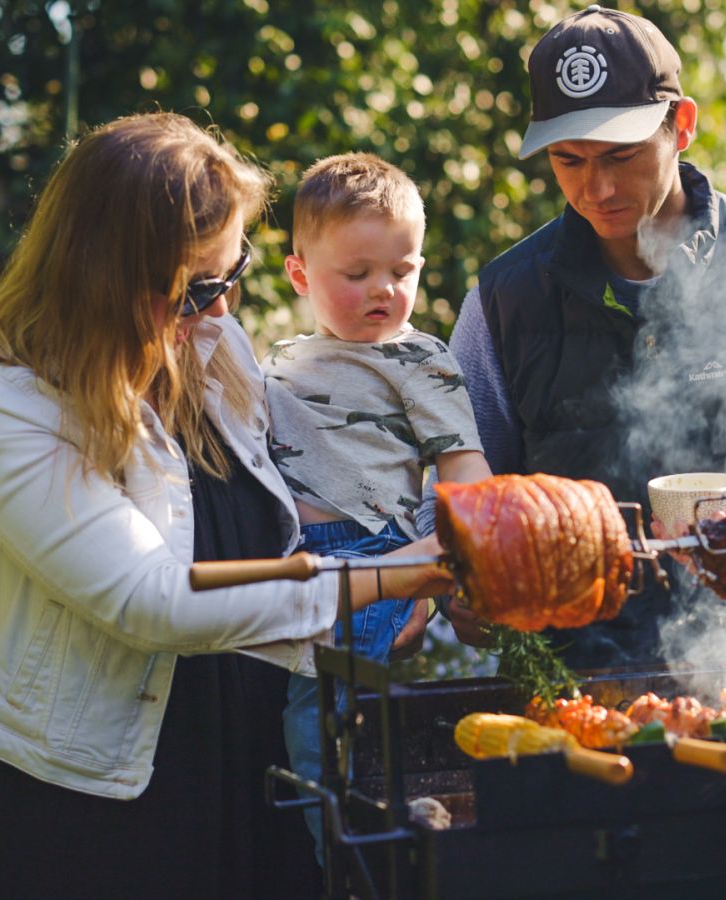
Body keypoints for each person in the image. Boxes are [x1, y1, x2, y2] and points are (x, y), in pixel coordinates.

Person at [0, 113, 450, 899]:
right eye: (199, 287)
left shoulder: (208, 348)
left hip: (259, 766)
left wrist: (418, 536)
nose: (226, 310)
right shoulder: (2, 411)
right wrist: (384, 580)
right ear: (103, 276)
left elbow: (314, 489)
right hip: (107, 810)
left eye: (235, 274)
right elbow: (150, 600)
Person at [449, 6, 726, 668]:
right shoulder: (503, 300)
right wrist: (467, 583)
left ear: (682, 126)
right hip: (568, 691)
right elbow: (464, 493)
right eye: (569, 160)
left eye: (622, 154)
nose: (598, 188)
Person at [263, 152, 492, 859]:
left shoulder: (418, 359)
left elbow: (463, 468)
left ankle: (352, 855)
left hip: (376, 556)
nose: (383, 290)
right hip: (290, 561)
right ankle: (357, 833)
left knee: (323, 713)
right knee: (312, 710)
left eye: (403, 270)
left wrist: (466, 555)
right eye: (356, 274)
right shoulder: (279, 361)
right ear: (300, 274)